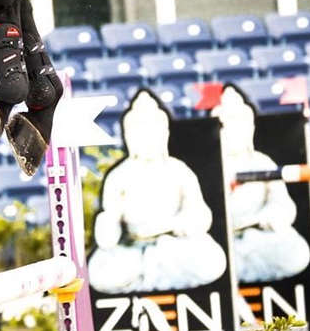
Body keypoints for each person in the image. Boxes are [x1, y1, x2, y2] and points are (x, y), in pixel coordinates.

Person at [88, 90, 227, 294]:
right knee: (103, 274)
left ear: (164, 134)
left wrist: (173, 225)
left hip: (173, 245)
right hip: (133, 249)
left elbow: (200, 214)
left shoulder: (178, 170)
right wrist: (113, 221)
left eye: (152, 131)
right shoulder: (119, 176)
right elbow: (108, 231)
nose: (146, 138)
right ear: (128, 137)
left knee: (211, 262)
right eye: (138, 132)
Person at [217, 86, 310, 282]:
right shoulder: (212, 163)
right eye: (228, 124)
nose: (236, 130)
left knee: (297, 252)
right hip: (226, 240)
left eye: (242, 123)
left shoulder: (261, 162)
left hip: (259, 236)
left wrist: (262, 218)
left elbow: (284, 205)